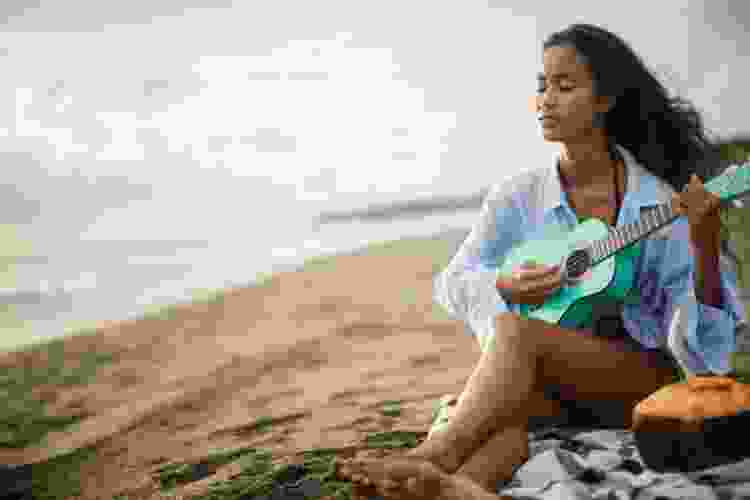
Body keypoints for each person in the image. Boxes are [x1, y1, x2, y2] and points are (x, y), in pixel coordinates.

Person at [337, 23, 747, 499]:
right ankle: (461, 487)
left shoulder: (655, 204)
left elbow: (710, 353)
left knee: (514, 335)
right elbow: (452, 284)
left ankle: (430, 457)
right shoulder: (517, 198)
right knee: (504, 407)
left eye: (565, 85)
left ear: (605, 100)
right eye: (542, 86)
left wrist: (703, 245)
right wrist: (504, 286)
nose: (546, 100)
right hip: (549, 381)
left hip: (637, 380)